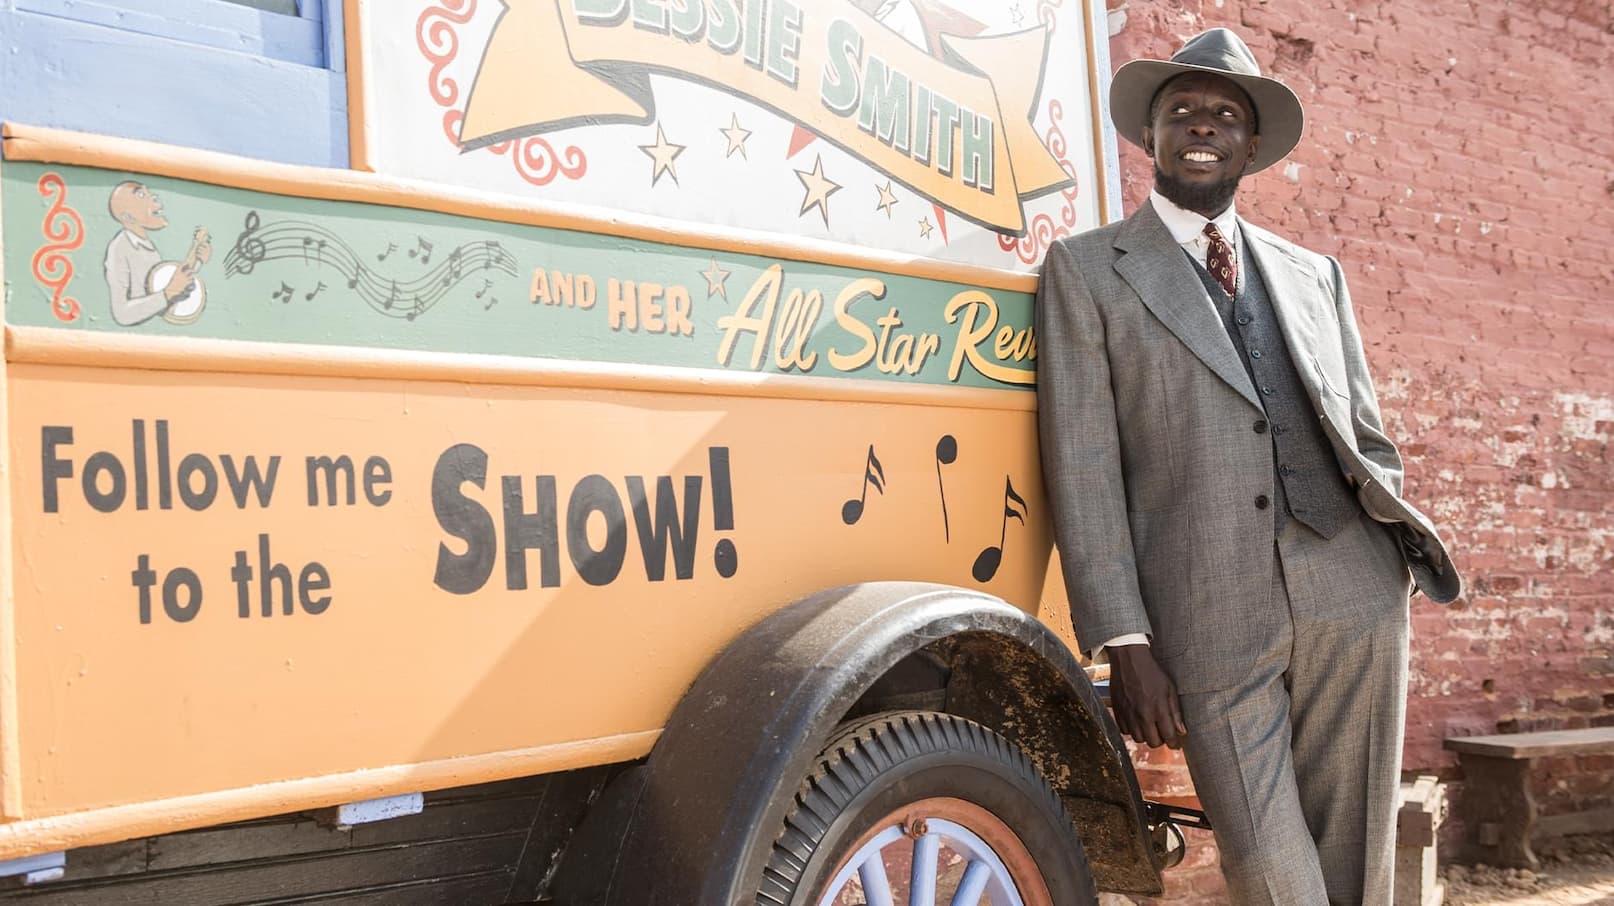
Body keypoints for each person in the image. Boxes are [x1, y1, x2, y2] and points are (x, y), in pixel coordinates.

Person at [1036, 28, 1461, 905]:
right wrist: (1126, 642)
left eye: (1225, 114)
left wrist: (1385, 562)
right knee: (1266, 858)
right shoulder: (1087, 271)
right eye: (1182, 109)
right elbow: (1082, 465)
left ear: (1251, 142)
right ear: (1149, 135)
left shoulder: (1315, 275)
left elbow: (1366, 432)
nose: (1203, 124)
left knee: (1356, 847)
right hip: (1206, 611)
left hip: (1351, 590)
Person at [104, 180, 209, 326]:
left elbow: (162, 286)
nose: (153, 196)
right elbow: (122, 314)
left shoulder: (147, 246)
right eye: (141, 195)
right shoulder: (120, 248)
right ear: (127, 217)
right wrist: (168, 293)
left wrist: (198, 261)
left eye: (148, 192)